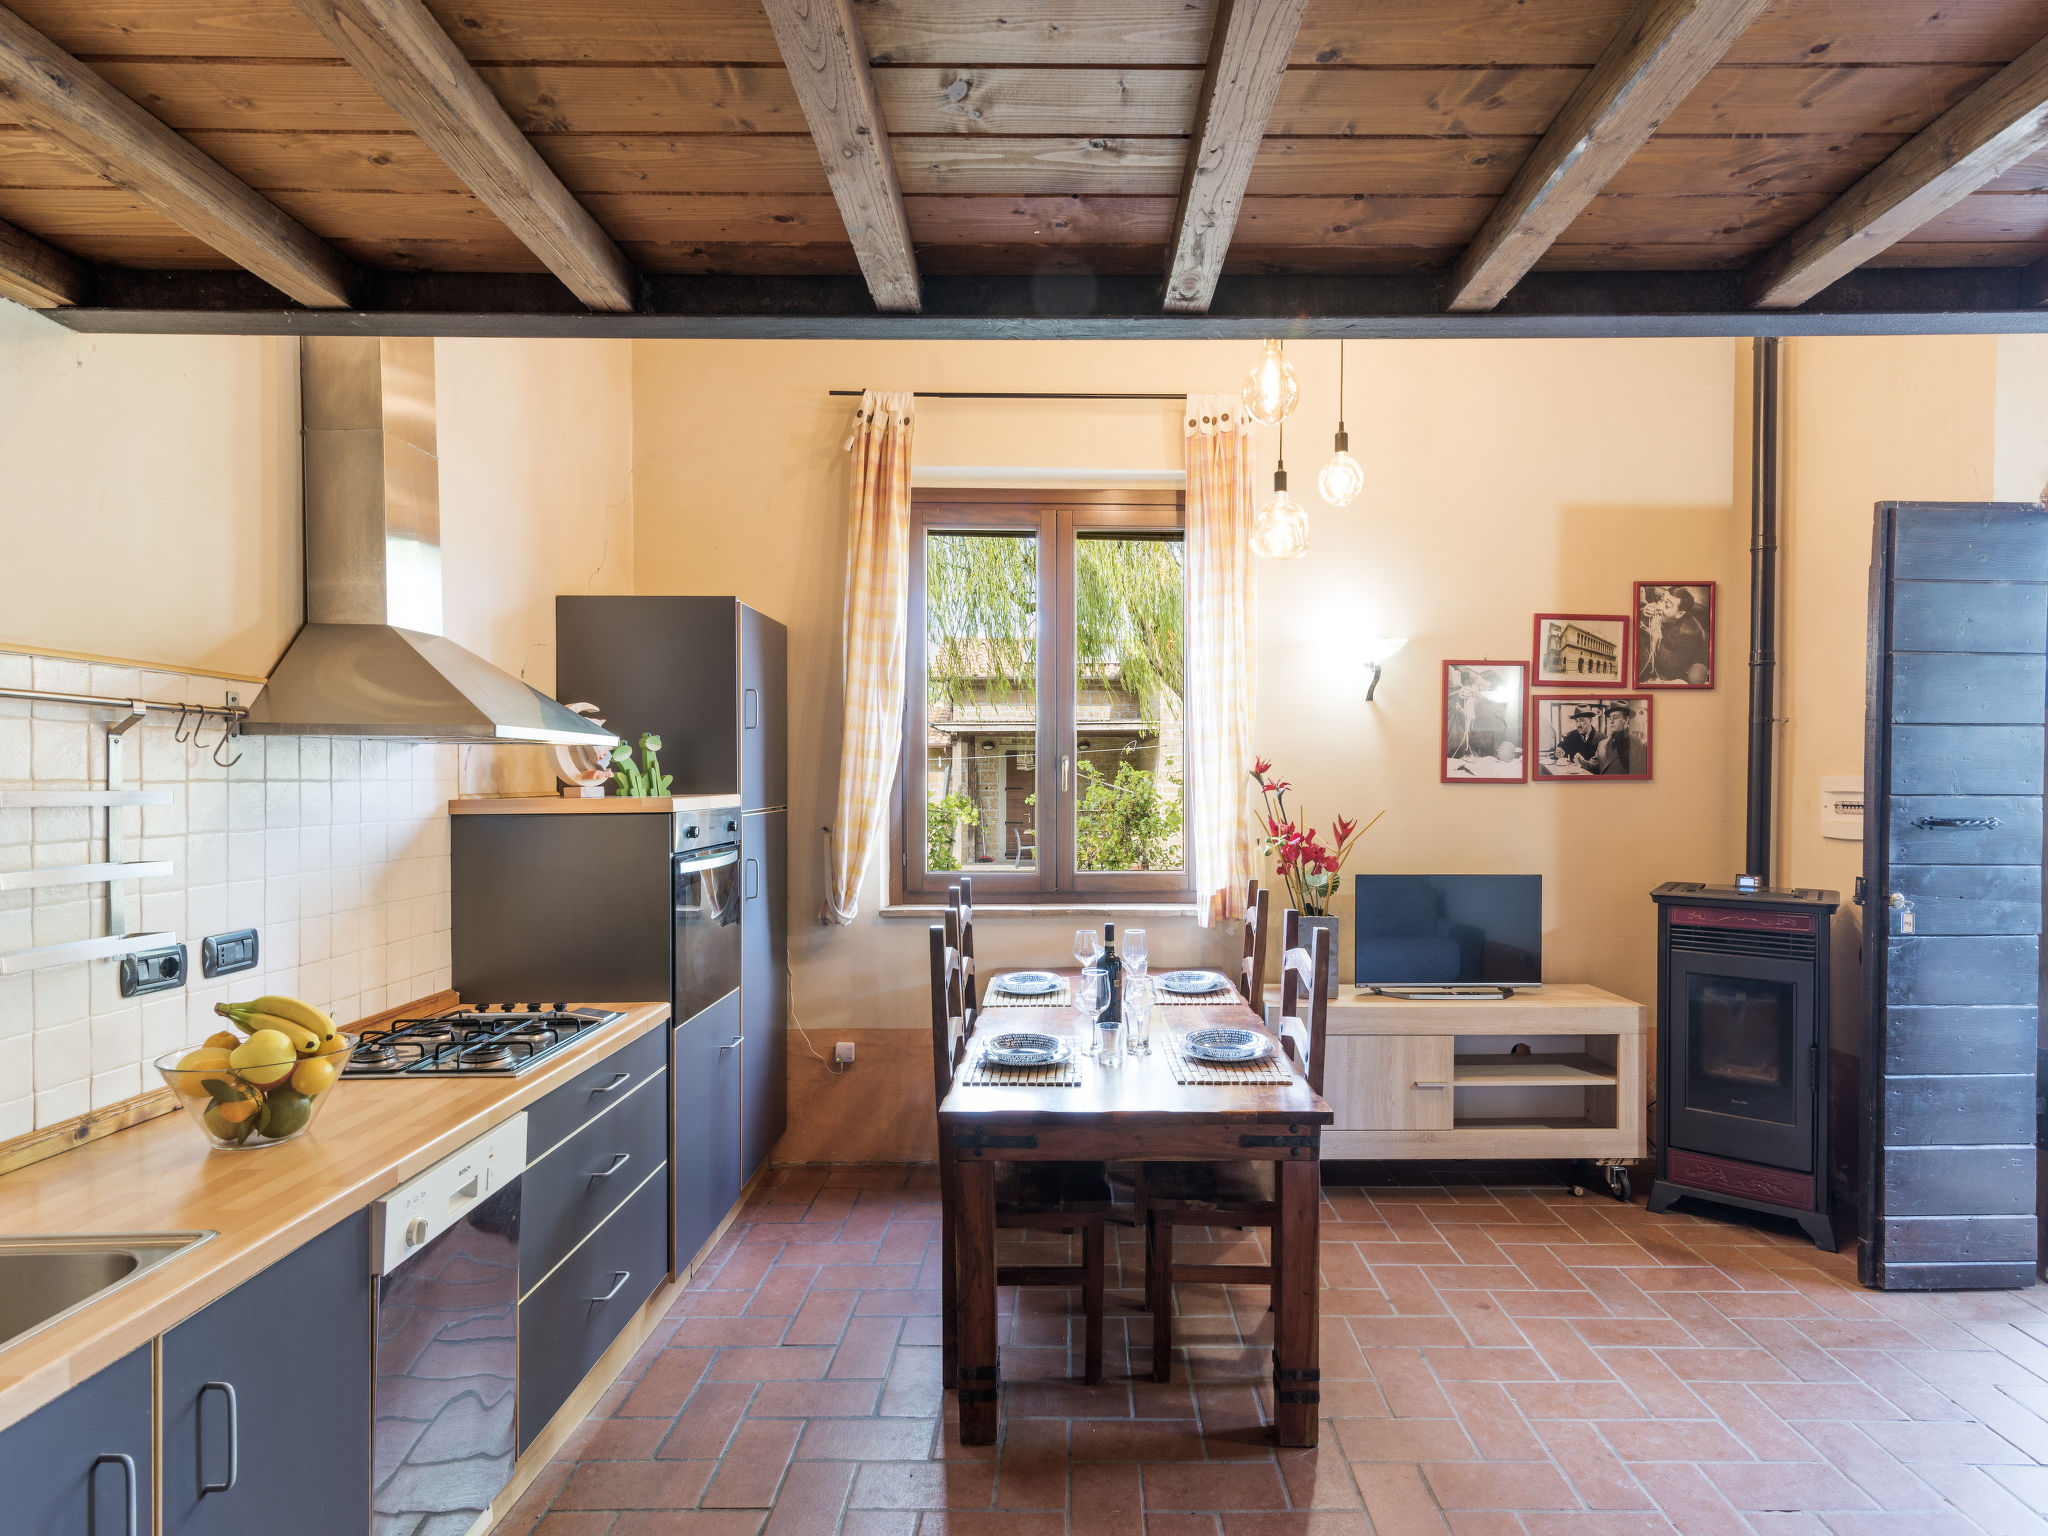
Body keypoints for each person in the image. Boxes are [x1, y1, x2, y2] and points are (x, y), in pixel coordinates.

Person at [1639, 586, 1710, 684]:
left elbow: (1669, 665)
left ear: (1680, 614)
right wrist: (1644, 611)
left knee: (1695, 679)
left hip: (1703, 651)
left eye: (1667, 606)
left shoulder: (1690, 633)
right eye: (1661, 600)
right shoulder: (1661, 600)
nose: (1659, 606)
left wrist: (1651, 635)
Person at [1554, 703, 1603, 770]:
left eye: (1582, 720)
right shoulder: (1571, 736)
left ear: (1590, 720)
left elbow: (1601, 766)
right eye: (1576, 721)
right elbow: (1561, 748)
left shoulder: (1602, 739)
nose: (1578, 725)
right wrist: (1558, 752)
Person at [1594, 699, 1637, 775]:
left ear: (1626, 720)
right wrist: (1583, 763)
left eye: (1615, 717)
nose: (1611, 722)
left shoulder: (1638, 747)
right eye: (1610, 718)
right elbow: (1596, 765)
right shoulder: (1602, 744)